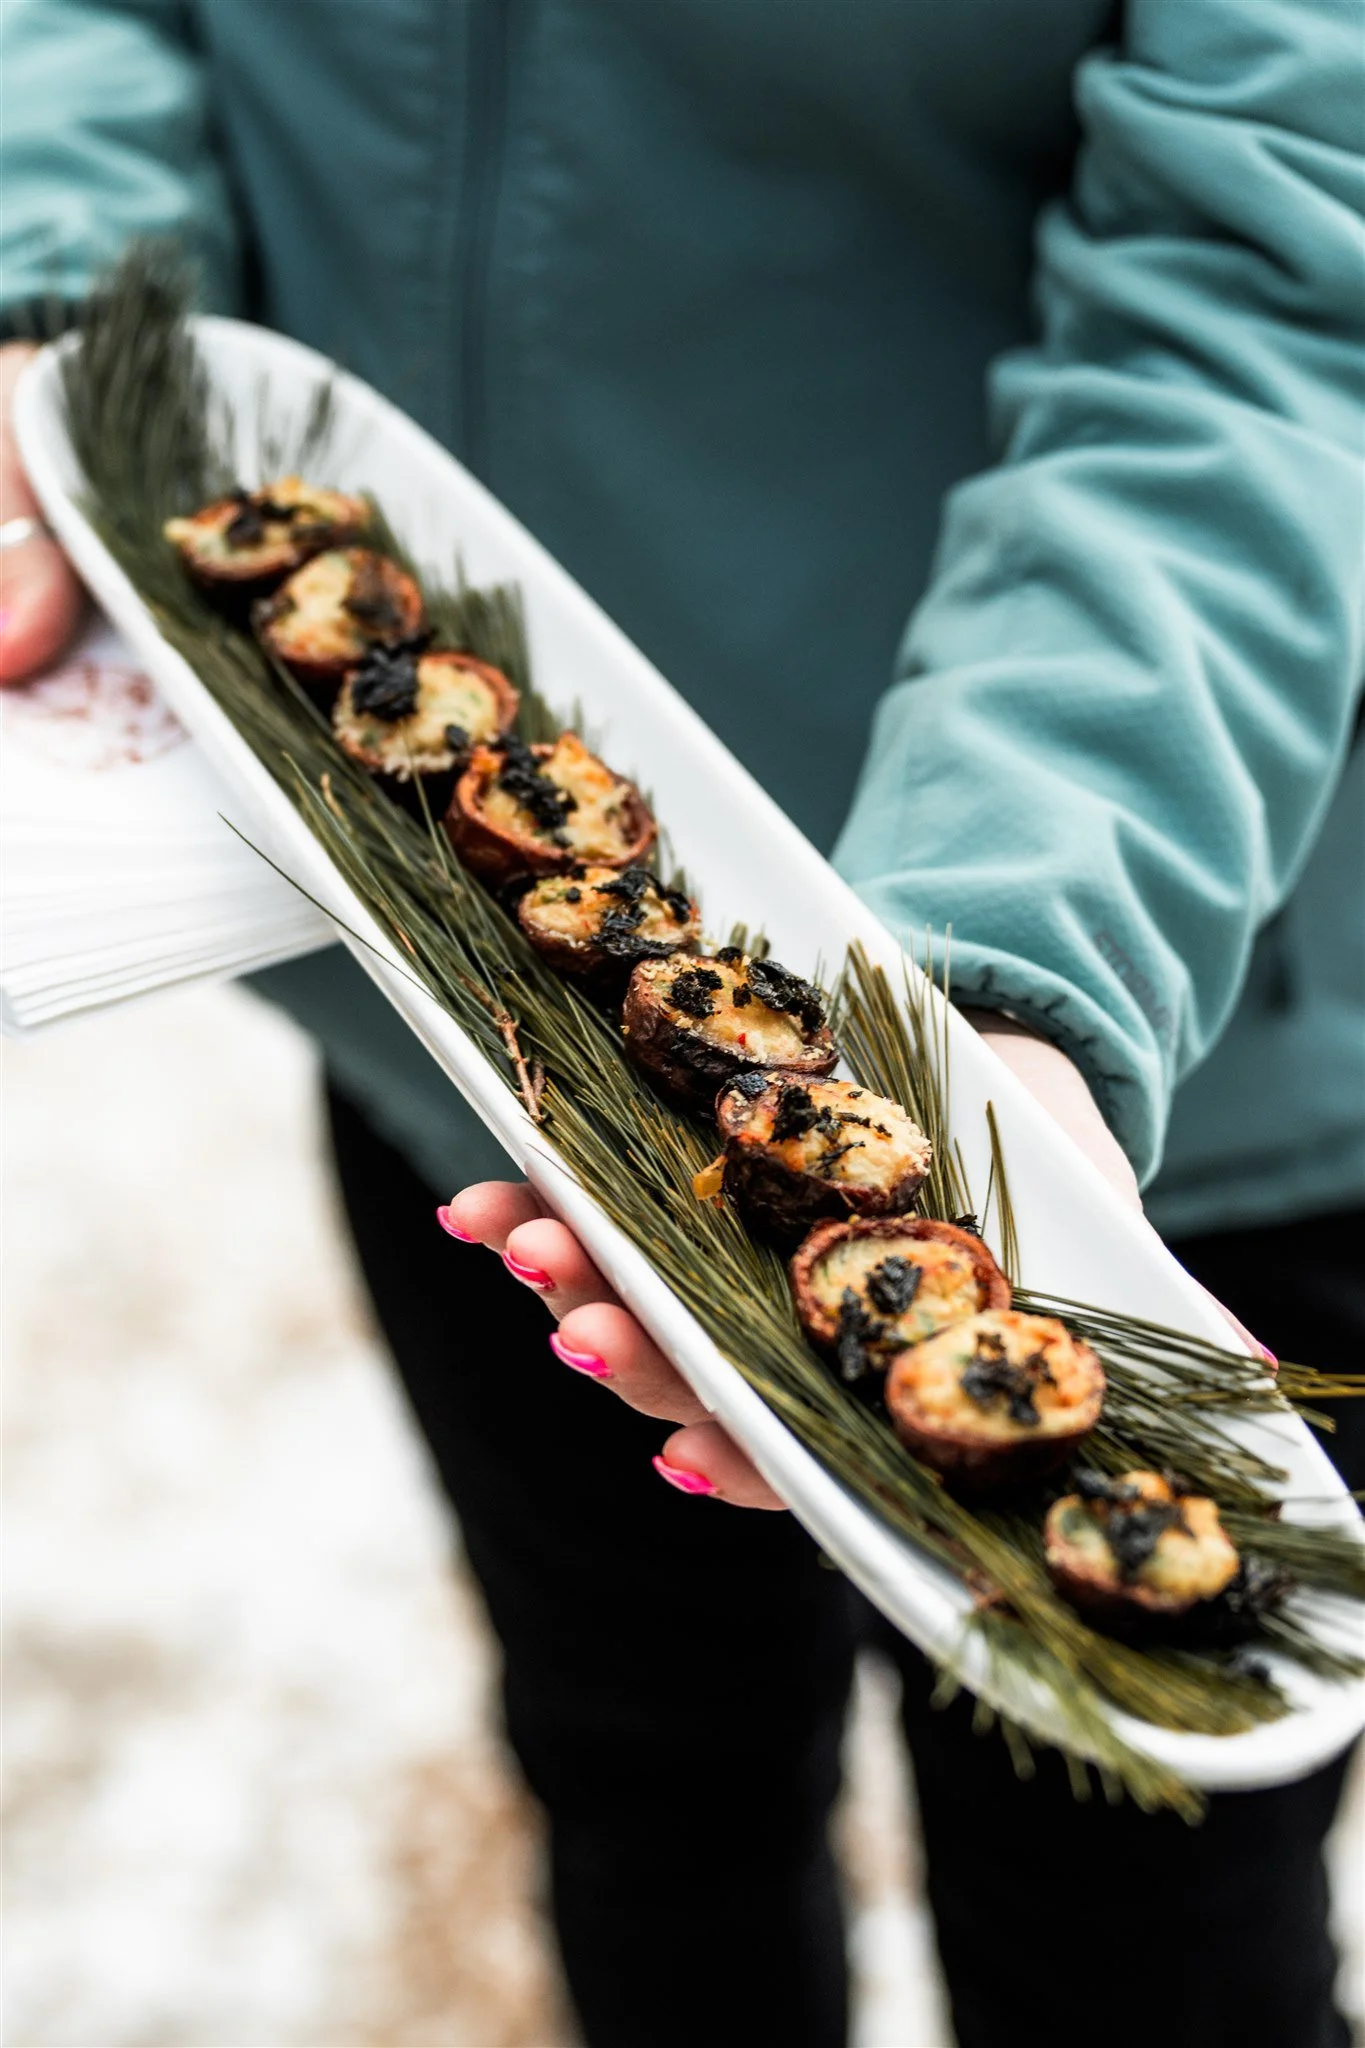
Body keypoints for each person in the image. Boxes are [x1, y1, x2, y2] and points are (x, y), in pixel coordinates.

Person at [3, 4, 1361, 2043]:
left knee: (1133, 1953)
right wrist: (68, 292)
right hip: (471, 1021)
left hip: (1136, 1052)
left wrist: (982, 973)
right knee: (645, 1776)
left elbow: (1274, 281)